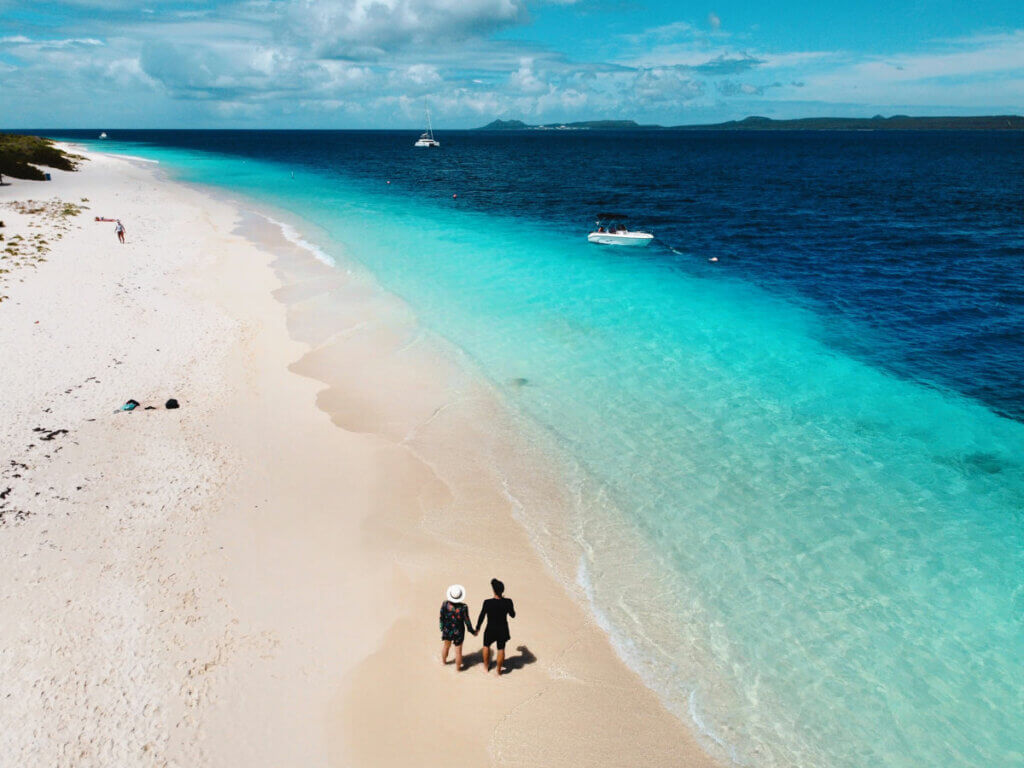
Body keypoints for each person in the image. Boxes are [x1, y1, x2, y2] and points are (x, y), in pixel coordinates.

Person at [476, 578, 516, 676]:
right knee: (501, 648)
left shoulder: (487, 602)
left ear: (493, 590)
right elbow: (513, 615)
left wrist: (478, 627)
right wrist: (508, 606)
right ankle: (498, 671)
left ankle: (486, 667)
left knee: (486, 646)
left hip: (490, 628)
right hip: (502, 629)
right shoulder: (508, 601)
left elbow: (482, 616)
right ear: (502, 590)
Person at [440, 584, 476, 671]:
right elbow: (467, 621)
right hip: (458, 632)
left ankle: (444, 663)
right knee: (458, 652)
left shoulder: (445, 604)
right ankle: (458, 670)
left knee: (446, 646)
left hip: (447, 629)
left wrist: (442, 627)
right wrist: (472, 631)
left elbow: (441, 617)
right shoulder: (463, 607)